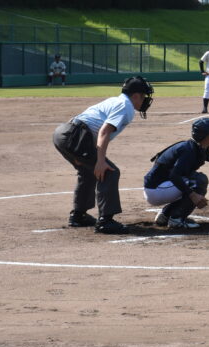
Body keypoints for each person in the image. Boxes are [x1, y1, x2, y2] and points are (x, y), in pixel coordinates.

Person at [52, 76, 155, 234]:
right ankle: (106, 221)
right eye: (143, 96)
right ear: (135, 95)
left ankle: (79, 216)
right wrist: (100, 161)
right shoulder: (125, 106)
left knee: (89, 171)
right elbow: (104, 131)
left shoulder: (115, 100)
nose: (145, 100)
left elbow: (87, 123)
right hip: (75, 136)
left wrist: (78, 155)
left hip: (64, 134)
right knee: (109, 172)